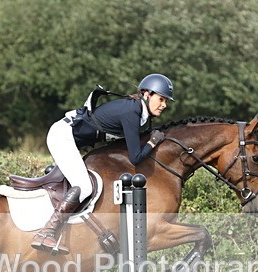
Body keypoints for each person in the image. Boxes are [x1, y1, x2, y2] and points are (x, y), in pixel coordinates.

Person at [31, 73, 175, 253]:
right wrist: (153, 142)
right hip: (63, 137)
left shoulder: (140, 113)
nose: (164, 105)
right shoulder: (131, 112)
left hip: (71, 138)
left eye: (166, 102)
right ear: (147, 94)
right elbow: (136, 158)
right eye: (161, 99)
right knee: (83, 187)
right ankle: (46, 233)